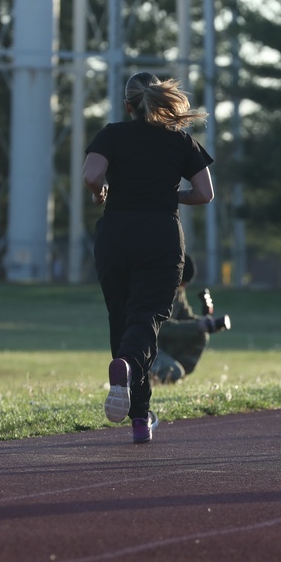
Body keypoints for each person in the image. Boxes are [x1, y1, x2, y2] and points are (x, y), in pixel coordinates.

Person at [82, 72, 214, 443]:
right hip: (160, 236)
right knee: (147, 319)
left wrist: (102, 192)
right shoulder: (180, 141)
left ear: (128, 105)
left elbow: (92, 175)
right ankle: (126, 373)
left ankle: (139, 417)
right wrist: (172, 196)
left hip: (116, 235)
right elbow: (204, 193)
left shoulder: (111, 134)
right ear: (159, 101)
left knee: (122, 318)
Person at [151, 254, 232, 384]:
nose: (182, 287)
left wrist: (204, 323)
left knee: (201, 335)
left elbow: (185, 316)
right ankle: (150, 376)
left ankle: (174, 377)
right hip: (147, 348)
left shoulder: (178, 291)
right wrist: (196, 326)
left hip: (163, 346)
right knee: (175, 372)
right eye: (181, 284)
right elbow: (160, 326)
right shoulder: (158, 290)